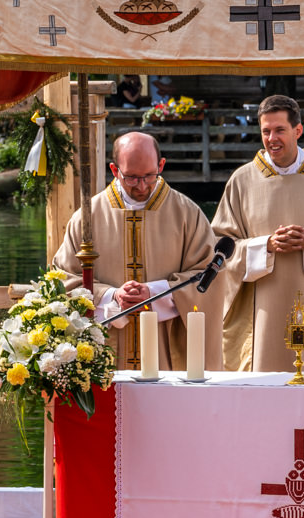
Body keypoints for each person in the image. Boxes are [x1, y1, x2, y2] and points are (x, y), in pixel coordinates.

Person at [209, 96, 304, 373]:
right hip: (261, 309)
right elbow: (221, 246)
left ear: (298, 130)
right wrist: (263, 246)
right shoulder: (242, 180)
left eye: (279, 130)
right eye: (266, 131)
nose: (271, 139)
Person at [54, 130, 215, 372]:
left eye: (149, 175)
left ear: (161, 165)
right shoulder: (87, 217)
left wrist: (155, 293)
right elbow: (63, 277)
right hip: (106, 351)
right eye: (131, 177)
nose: (141, 186)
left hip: (167, 351)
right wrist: (111, 296)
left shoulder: (187, 214)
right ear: (114, 170)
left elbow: (210, 275)